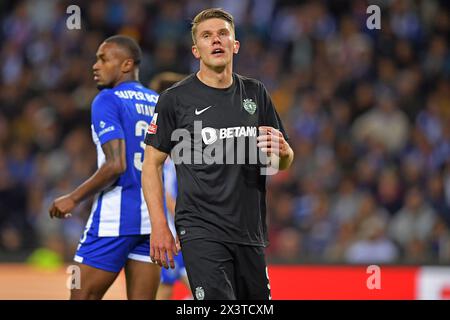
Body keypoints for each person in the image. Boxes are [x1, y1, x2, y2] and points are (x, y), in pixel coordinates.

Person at [141, 8, 294, 300]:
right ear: (196, 50)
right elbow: (151, 164)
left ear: (234, 44)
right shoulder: (175, 99)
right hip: (200, 230)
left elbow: (281, 161)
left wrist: (285, 153)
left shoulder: (255, 93)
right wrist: (159, 225)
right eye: (207, 35)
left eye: (223, 33)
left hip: (249, 231)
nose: (216, 40)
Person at [48, 35, 160, 300]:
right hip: (153, 219)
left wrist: (73, 198)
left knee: (81, 296)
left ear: (126, 64)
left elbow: (116, 164)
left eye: (103, 58)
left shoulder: (107, 99)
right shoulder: (159, 102)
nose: (95, 66)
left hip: (116, 218)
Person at [148, 72, 191, 300]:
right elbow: (162, 186)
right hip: (175, 230)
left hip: (171, 228)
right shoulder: (165, 139)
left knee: (165, 288)